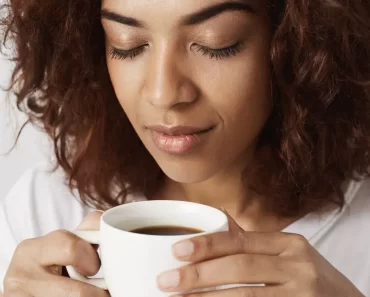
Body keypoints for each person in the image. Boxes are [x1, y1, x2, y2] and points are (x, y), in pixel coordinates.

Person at [0, 0, 370, 296]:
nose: (164, 94)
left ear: (293, 43)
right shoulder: (45, 211)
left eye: (216, 44)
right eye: (128, 45)